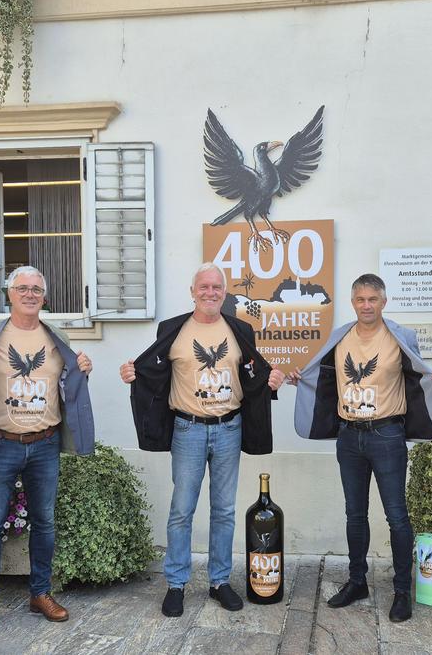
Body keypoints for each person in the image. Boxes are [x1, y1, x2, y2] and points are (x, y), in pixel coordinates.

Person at [120, 262, 284, 618]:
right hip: (188, 430)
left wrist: (270, 382)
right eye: (204, 287)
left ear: (224, 293)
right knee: (182, 510)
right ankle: (176, 584)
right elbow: (151, 371)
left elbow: (253, 374)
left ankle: (219, 581)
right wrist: (131, 373)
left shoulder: (240, 329)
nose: (210, 292)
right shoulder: (172, 329)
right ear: (192, 291)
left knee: (224, 511)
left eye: (217, 288)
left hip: (229, 427)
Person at [289, 273, 432, 624]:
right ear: (353, 302)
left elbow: (417, 376)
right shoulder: (341, 335)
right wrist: (301, 380)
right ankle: (357, 581)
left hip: (387, 436)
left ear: (383, 301)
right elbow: (323, 374)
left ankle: (402, 591)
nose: (366, 305)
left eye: (372, 299)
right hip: (349, 437)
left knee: (397, 516)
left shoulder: (400, 336)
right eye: (360, 299)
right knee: (355, 514)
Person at [0, 266, 95, 638]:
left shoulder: (55, 334)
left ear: (44, 297)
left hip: (44, 443)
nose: (30, 294)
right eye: (22, 288)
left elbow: (69, 381)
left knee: (44, 522)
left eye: (36, 289)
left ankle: (40, 594)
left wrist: (84, 370)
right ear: (9, 293)